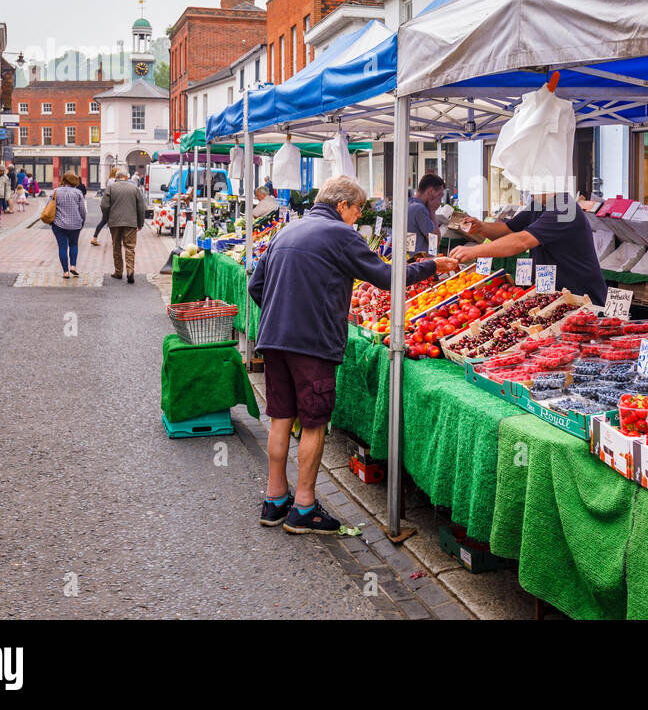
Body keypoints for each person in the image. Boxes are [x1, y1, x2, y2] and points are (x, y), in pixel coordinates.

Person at [249, 176, 458, 534]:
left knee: (280, 417)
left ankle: (274, 501)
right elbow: (387, 276)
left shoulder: (287, 230)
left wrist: (281, 316)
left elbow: (256, 285)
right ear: (342, 205)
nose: (359, 216)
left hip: (274, 339)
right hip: (311, 345)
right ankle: (303, 507)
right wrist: (431, 266)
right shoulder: (341, 235)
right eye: (358, 208)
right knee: (314, 423)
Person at [451, 191, 608, 304]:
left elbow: (522, 241)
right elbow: (508, 230)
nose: (528, 188)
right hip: (554, 296)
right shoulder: (539, 204)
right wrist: (482, 227)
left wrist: (474, 251)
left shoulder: (565, 209)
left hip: (580, 297)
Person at [100, 168, 146, 283]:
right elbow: (141, 208)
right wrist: (140, 223)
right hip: (131, 222)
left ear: (116, 177)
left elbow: (104, 205)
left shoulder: (110, 187)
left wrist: (107, 217)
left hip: (114, 222)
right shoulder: (134, 188)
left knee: (116, 246)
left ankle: (118, 271)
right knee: (130, 247)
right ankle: (130, 271)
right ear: (127, 177)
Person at [50, 172, 87, 279]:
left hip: (59, 224)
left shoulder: (55, 192)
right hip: (75, 224)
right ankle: (73, 266)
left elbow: (49, 207)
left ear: (64, 180)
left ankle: (65, 272)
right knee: (74, 245)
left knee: (62, 247)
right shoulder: (78, 193)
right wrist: (82, 221)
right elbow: (82, 210)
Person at [407, 174, 445, 254]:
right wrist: (432, 211)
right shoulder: (420, 210)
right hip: (419, 261)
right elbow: (435, 242)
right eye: (440, 196)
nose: (440, 201)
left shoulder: (408, 204)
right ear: (430, 192)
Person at [90, 167, 123, 246]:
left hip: (108, 204)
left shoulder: (110, 180)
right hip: (112, 205)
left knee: (104, 221)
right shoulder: (112, 181)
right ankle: (116, 241)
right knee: (116, 222)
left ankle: (94, 238)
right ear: (116, 173)